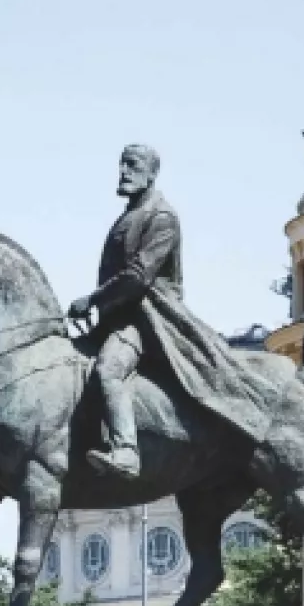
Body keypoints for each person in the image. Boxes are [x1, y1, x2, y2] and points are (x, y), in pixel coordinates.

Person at [69, 144, 276, 479]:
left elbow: (138, 276)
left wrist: (92, 300)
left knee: (109, 370)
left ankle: (126, 451)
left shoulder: (161, 217)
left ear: (152, 173)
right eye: (121, 164)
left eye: (132, 165)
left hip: (147, 319)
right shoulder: (129, 215)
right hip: (117, 317)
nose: (123, 171)